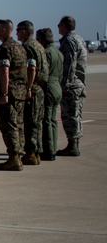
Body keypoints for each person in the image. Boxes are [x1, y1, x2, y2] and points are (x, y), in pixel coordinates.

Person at [0, 19, 28, 171]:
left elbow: (4, 70)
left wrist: (4, 93)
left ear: (4, 31)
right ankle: (18, 155)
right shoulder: (19, 47)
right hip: (20, 92)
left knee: (9, 126)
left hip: (10, 93)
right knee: (18, 125)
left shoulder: (5, 48)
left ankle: (14, 158)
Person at [16, 21, 48, 165]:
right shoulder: (38, 45)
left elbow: (31, 68)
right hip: (39, 88)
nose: (16, 33)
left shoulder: (28, 46)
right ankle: (36, 153)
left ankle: (31, 153)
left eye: (18, 30)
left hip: (32, 89)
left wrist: (28, 88)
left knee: (30, 122)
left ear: (24, 31)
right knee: (37, 122)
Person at [57, 16, 87, 156]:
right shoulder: (79, 39)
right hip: (79, 83)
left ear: (64, 26)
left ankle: (73, 145)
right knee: (75, 114)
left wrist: (65, 84)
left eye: (59, 25)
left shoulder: (69, 41)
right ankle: (74, 144)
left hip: (72, 85)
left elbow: (69, 65)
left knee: (70, 115)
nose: (58, 27)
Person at [37, 27, 62, 162]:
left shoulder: (46, 53)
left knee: (46, 119)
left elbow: (43, 73)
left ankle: (48, 150)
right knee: (52, 120)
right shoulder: (58, 53)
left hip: (49, 87)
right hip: (57, 86)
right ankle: (53, 148)